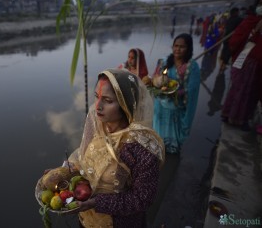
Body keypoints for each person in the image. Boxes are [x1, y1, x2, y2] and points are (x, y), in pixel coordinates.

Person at [67, 69, 165, 227]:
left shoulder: (140, 147)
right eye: (97, 97)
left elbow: (142, 199)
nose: (97, 106)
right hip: (86, 218)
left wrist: (96, 203)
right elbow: (84, 158)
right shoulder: (97, 125)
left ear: (125, 103)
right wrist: (64, 172)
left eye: (107, 100)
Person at [152, 33, 201, 154]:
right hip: (161, 107)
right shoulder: (164, 62)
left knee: (173, 143)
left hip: (176, 107)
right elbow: (155, 78)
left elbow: (192, 90)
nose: (177, 49)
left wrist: (176, 92)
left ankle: (172, 154)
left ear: (188, 48)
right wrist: (157, 84)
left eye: (182, 47)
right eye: (175, 46)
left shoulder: (191, 67)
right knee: (159, 137)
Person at [221, 0, 262, 131]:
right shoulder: (250, 21)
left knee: (247, 92)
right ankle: (234, 118)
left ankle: (232, 116)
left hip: (254, 62)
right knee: (241, 90)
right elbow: (235, 40)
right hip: (245, 60)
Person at [219, 7, 243, 72]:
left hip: (226, 38)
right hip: (231, 39)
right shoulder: (239, 19)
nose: (239, 13)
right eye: (238, 12)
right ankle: (222, 67)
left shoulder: (229, 19)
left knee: (224, 51)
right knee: (227, 53)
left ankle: (221, 65)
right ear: (236, 12)